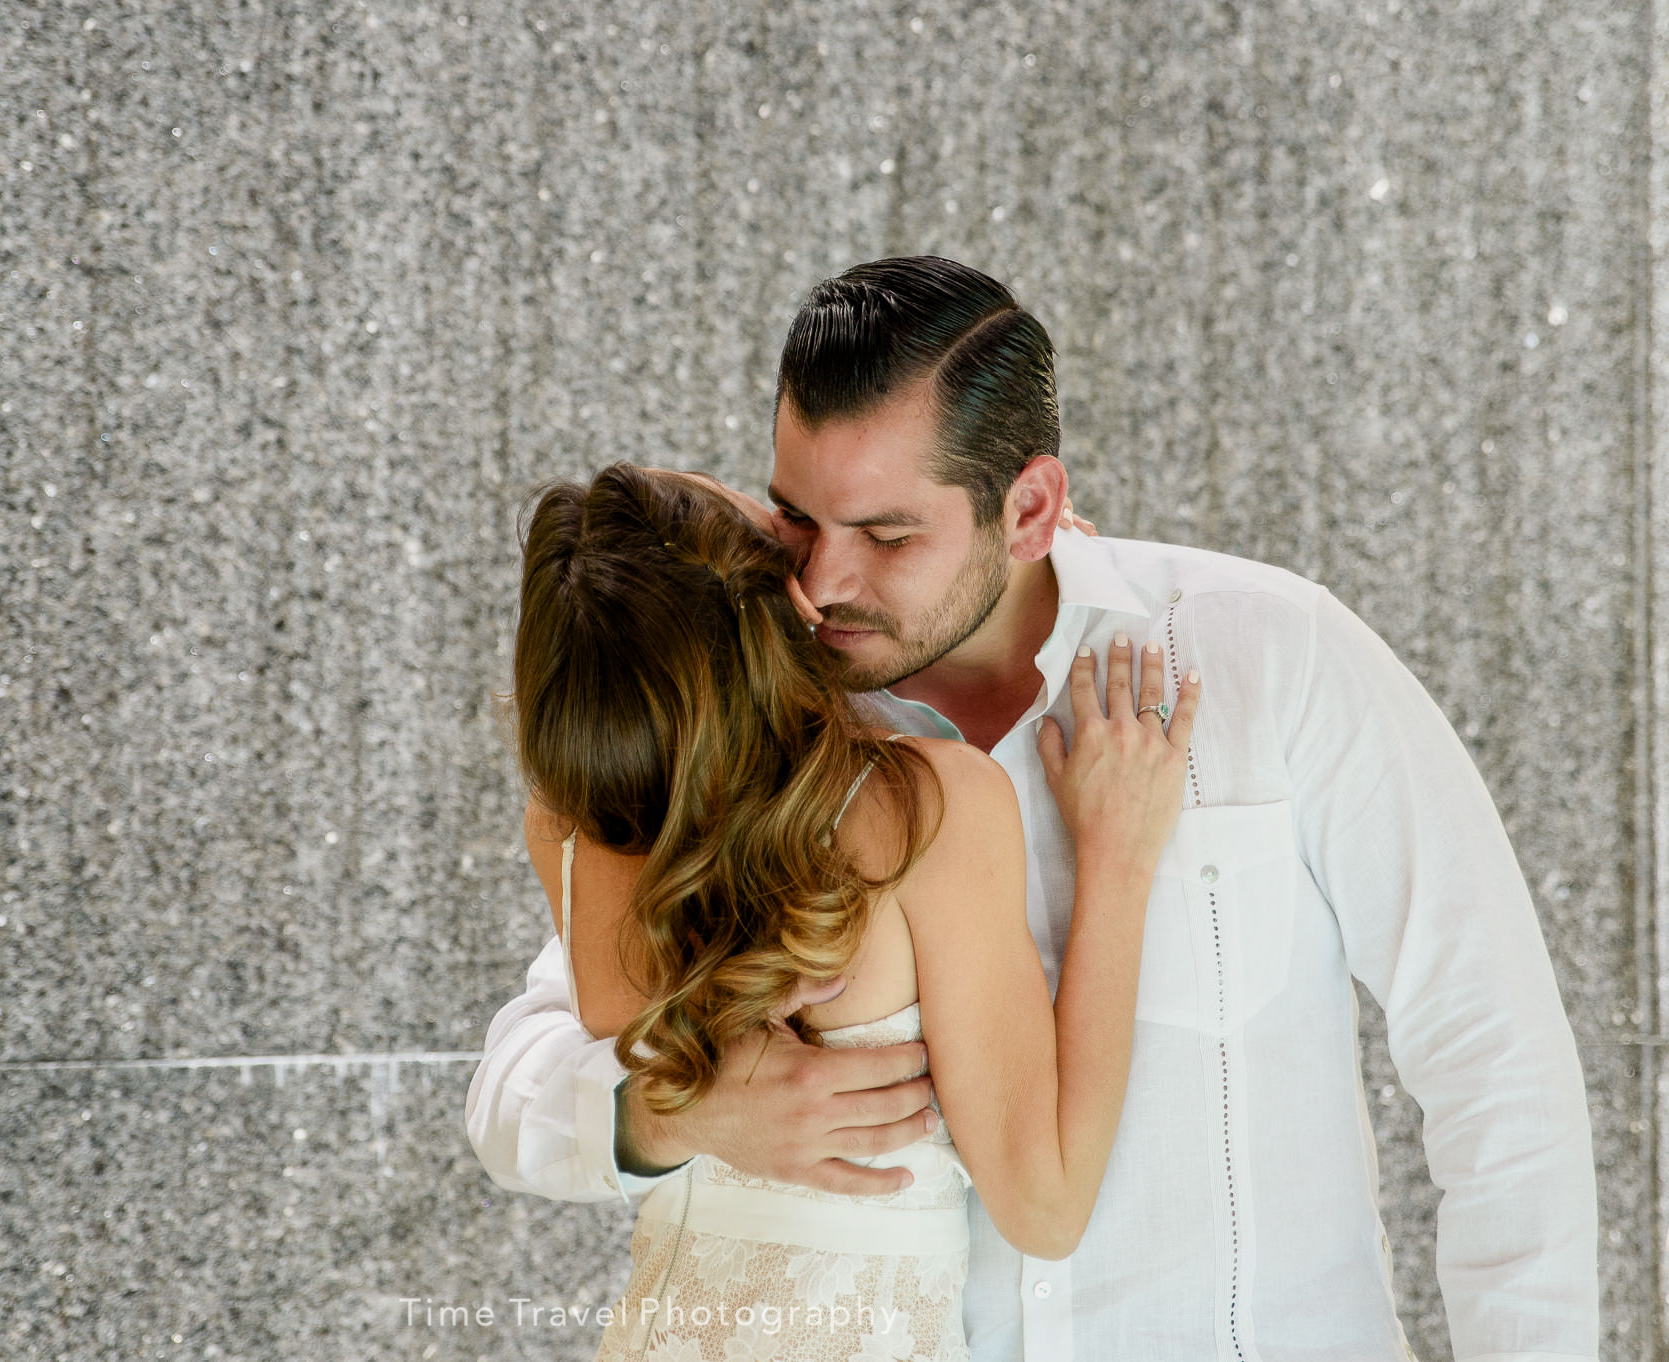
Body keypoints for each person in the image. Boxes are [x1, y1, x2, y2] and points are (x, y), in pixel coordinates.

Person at [468, 257, 1599, 1360]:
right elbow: (524, 1067)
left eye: (889, 535)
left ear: (1030, 508)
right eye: (796, 521)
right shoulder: (770, 732)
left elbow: (1495, 1060)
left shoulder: (1273, 658)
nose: (821, 585)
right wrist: (668, 1117)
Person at [510, 463, 1200, 1359]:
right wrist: (1118, 858)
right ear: (784, 608)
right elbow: (1047, 1204)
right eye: (771, 520)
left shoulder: (569, 829)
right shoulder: (928, 812)